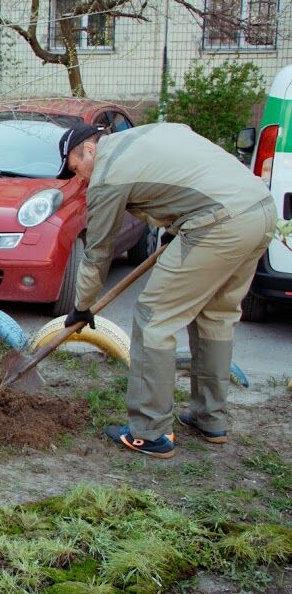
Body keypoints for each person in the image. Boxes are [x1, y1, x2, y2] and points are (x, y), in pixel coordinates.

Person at [60, 122, 276, 458]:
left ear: (90, 149)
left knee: (153, 317)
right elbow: (184, 172)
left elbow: (98, 251)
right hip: (260, 210)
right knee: (216, 316)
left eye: (77, 169)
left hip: (218, 222)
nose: (81, 178)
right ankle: (210, 418)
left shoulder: (107, 172)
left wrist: (82, 305)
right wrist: (176, 223)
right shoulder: (149, 133)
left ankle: (149, 432)